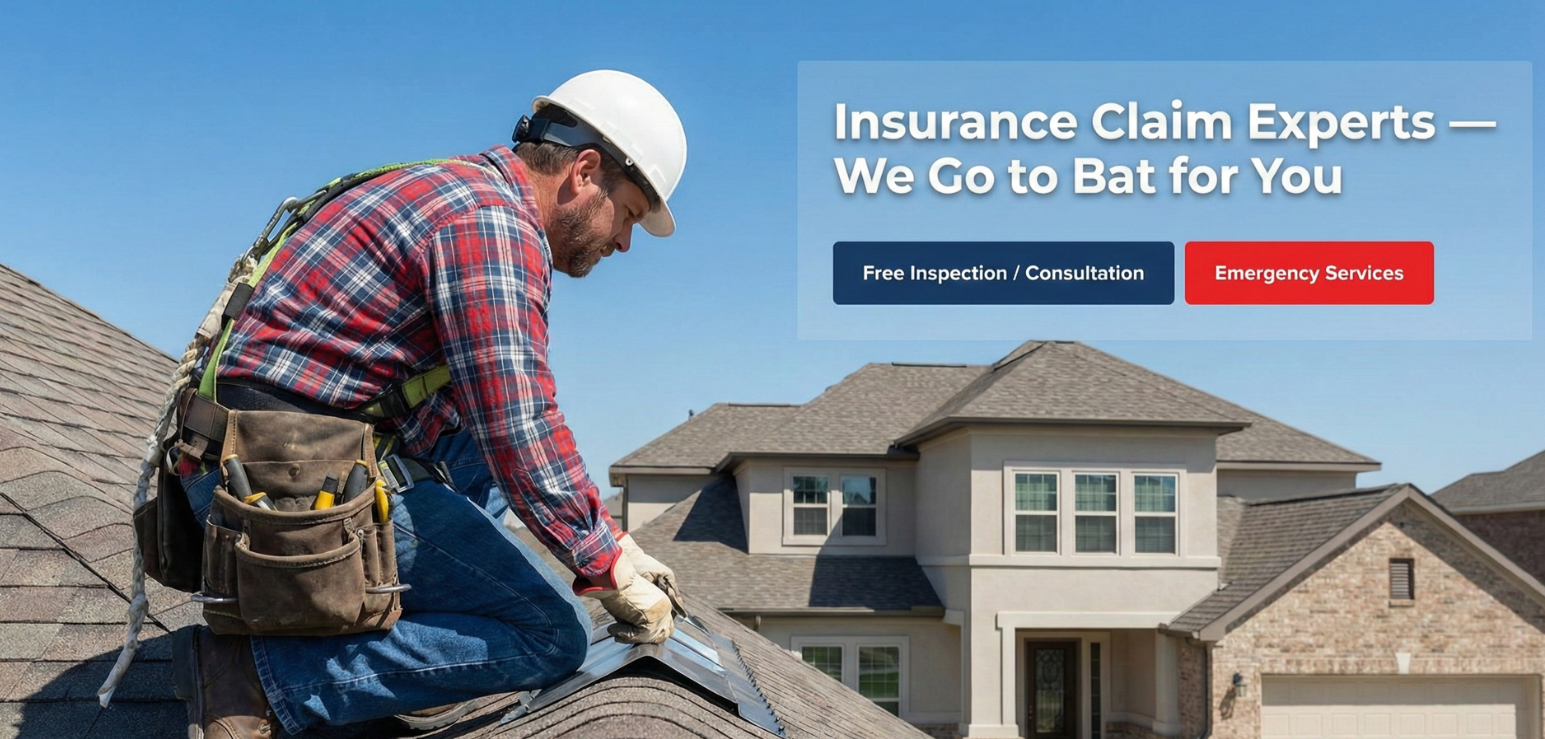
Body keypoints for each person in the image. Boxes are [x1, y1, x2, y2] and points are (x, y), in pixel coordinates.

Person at [170, 70, 689, 739]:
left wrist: (610, 537)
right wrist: (600, 565)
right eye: (630, 215)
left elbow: (483, 423)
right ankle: (269, 678)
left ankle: (392, 643)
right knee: (548, 633)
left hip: (255, 458)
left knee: (478, 451)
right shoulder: (491, 225)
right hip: (269, 486)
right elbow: (518, 420)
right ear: (585, 172)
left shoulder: (456, 188)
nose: (622, 241)